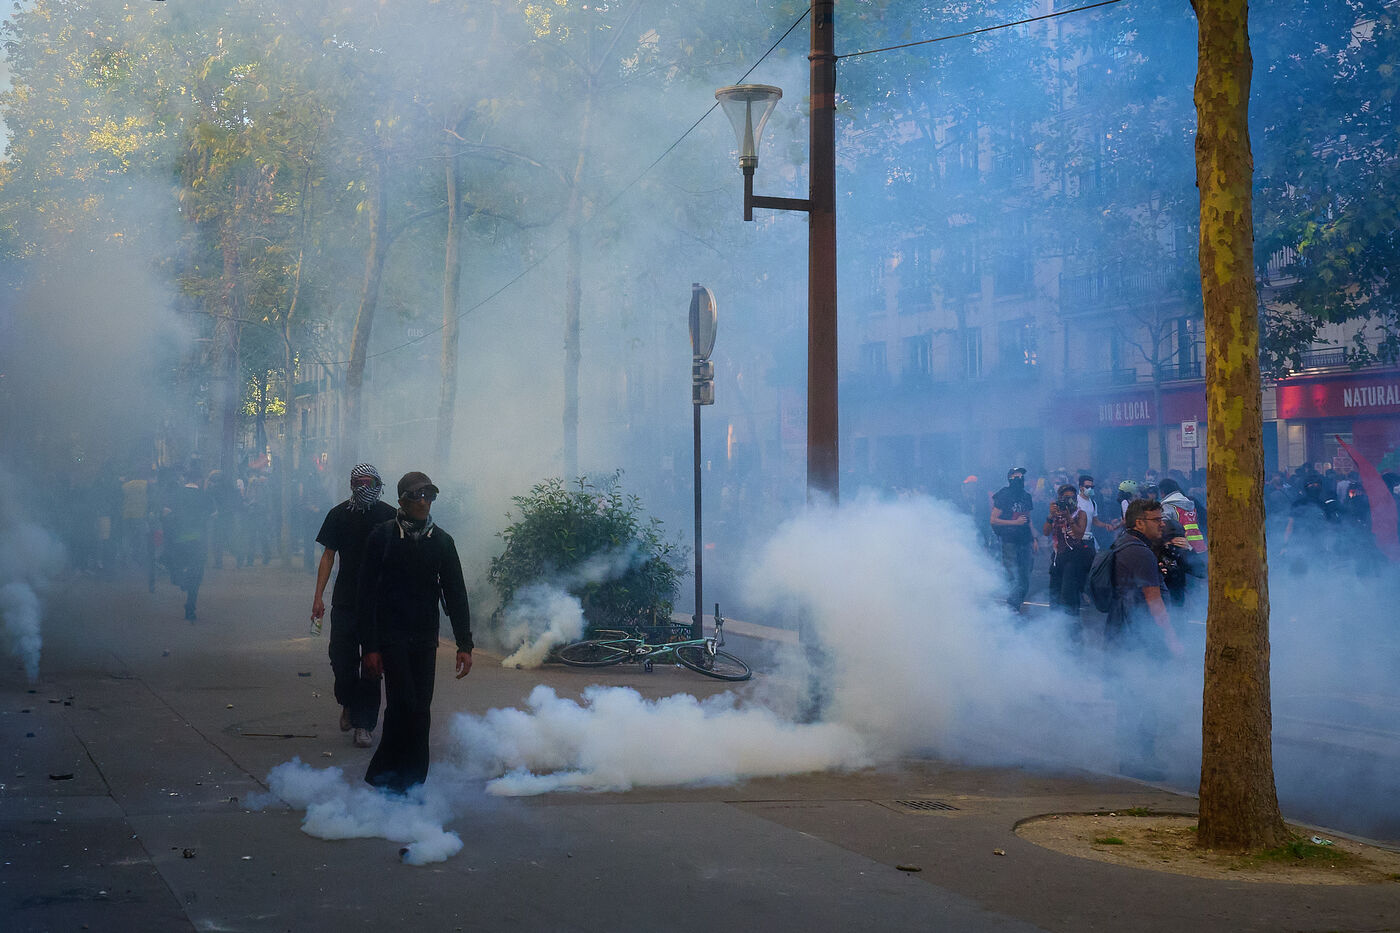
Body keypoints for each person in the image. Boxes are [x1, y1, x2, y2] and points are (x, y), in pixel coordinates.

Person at [357, 472, 473, 793]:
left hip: (424, 637)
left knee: (420, 709)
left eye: (429, 496)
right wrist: (370, 647)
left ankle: (411, 783)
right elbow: (365, 596)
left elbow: (456, 593)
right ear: (402, 501)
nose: (424, 502)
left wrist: (464, 644)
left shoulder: (442, 541)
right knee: (402, 704)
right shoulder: (382, 537)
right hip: (391, 635)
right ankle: (390, 778)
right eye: (417, 496)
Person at [312, 464, 397, 749]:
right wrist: (318, 597)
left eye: (368, 482)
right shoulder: (338, 515)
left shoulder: (390, 516)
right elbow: (328, 556)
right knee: (341, 659)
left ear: (378, 484)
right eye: (358, 482)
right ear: (351, 485)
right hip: (346, 599)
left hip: (378, 604)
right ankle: (348, 701)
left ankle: (364, 724)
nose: (363, 487)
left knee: (372, 664)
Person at [1106, 498, 1184, 657]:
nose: (1162, 524)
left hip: (1121, 627)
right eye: (1156, 520)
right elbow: (1154, 600)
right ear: (1139, 523)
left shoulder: (1123, 541)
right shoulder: (1140, 552)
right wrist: (1171, 638)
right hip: (1139, 632)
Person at [163, 469, 213, 621]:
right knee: (196, 573)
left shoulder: (176, 494)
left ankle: (182, 580)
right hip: (198, 540)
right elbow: (213, 514)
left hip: (179, 538)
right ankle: (190, 606)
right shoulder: (204, 496)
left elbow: (166, 512)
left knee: (179, 565)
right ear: (199, 480)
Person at [990, 466, 1037, 613]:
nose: (1019, 479)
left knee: (1025, 576)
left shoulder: (1026, 496)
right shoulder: (1003, 495)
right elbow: (993, 519)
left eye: (1021, 477)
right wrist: (1014, 523)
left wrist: (1034, 538)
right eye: (1016, 477)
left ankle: (1014, 605)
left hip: (1025, 540)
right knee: (1013, 575)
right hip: (1009, 540)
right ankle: (1012, 608)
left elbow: (1028, 519)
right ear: (1010, 478)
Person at [1043, 484, 1087, 614]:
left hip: (1074, 558)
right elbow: (1046, 532)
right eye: (1066, 497)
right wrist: (1050, 516)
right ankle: (1055, 621)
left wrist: (1069, 518)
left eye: (1072, 497)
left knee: (1069, 594)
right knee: (1054, 593)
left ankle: (1072, 621)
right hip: (1058, 557)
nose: (1069, 500)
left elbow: (1079, 534)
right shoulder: (1056, 514)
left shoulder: (1081, 514)